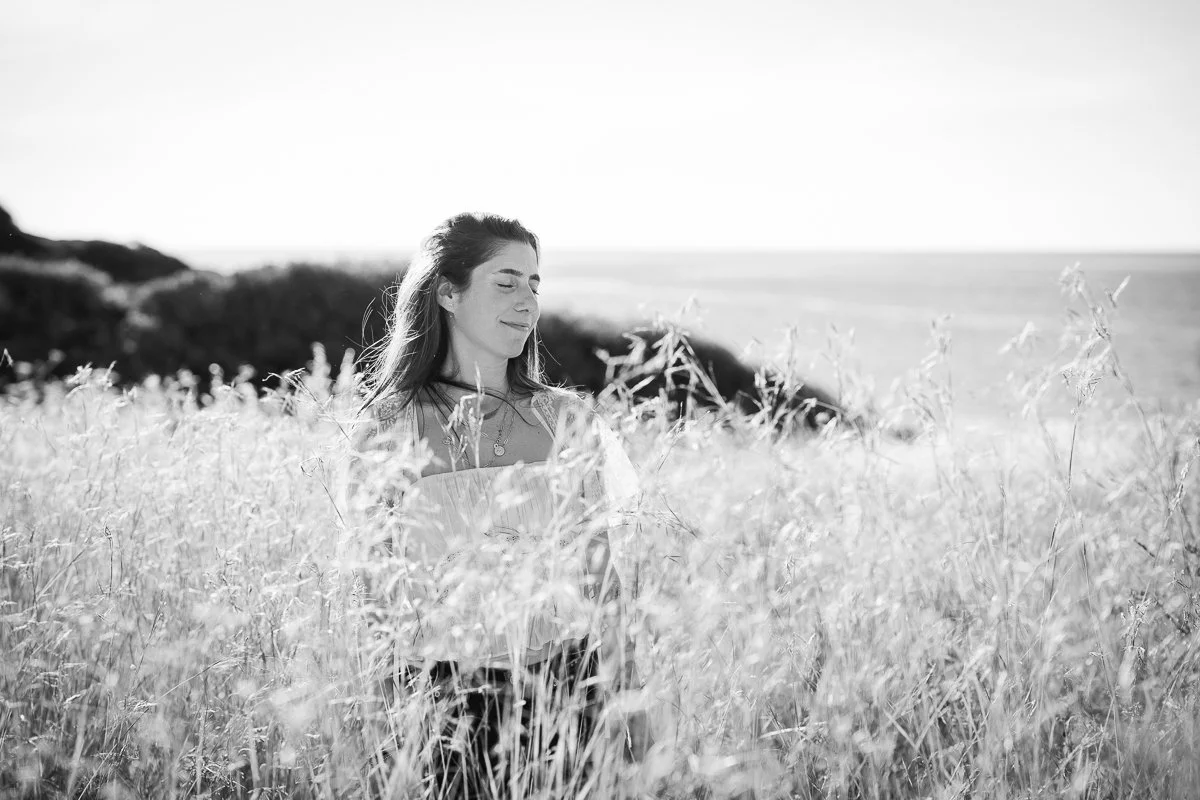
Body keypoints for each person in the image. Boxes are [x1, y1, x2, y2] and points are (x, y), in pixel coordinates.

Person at [345, 212, 647, 798]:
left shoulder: (566, 419)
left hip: (569, 692)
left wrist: (634, 710)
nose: (527, 302)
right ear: (448, 293)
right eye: (506, 282)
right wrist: (388, 734)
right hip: (443, 706)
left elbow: (603, 585)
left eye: (535, 285)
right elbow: (373, 599)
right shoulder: (387, 427)